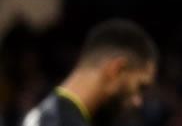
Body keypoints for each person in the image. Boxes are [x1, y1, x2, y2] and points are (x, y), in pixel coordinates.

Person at [22, 19, 157, 126]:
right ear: (117, 69)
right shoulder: (60, 120)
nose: (137, 101)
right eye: (140, 87)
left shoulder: (48, 113)